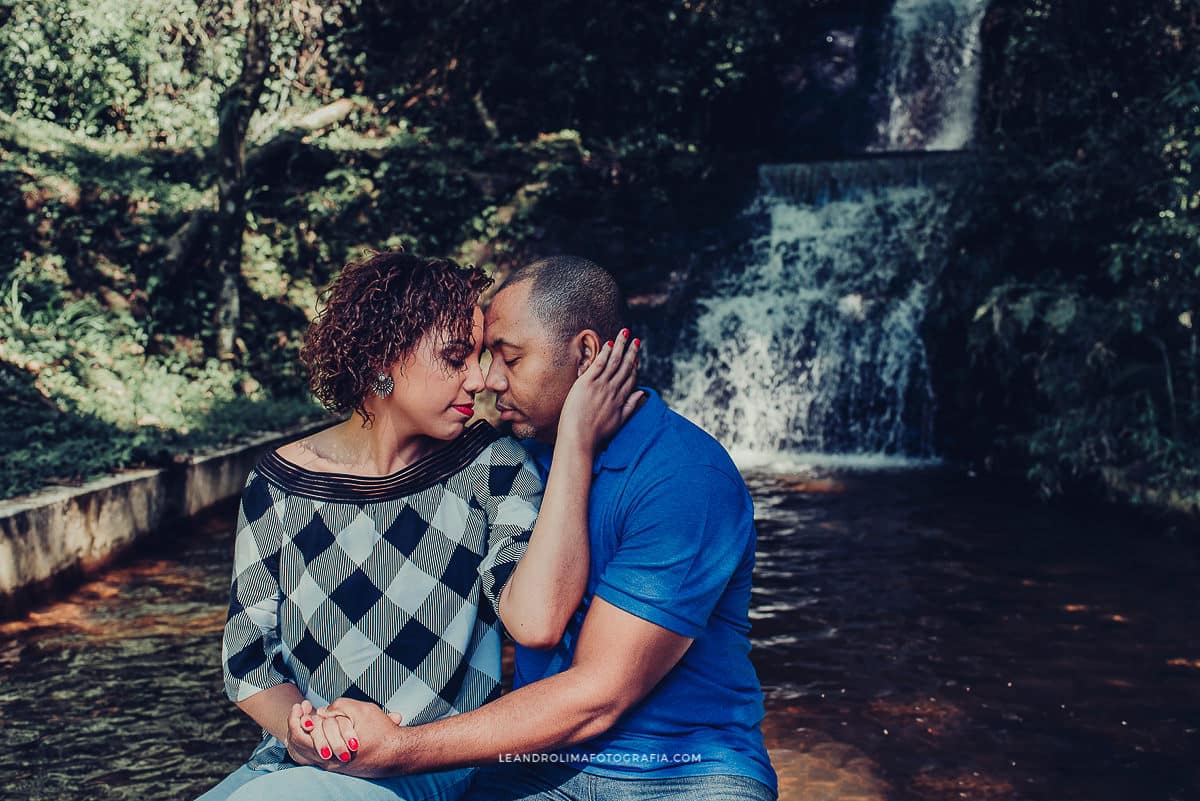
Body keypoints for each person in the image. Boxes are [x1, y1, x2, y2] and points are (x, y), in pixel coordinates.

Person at [293, 255, 778, 801]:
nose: (487, 382)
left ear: (588, 356)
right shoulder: (511, 463)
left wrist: (399, 750)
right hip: (537, 770)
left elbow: (599, 695)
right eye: (482, 359)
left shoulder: (687, 479)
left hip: (683, 773)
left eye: (511, 359)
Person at [196, 251, 642, 801]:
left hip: (427, 768)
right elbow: (247, 661)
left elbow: (537, 622)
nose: (481, 379)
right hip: (295, 768)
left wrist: (577, 438)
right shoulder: (276, 483)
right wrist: (306, 730)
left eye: (480, 356)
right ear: (385, 357)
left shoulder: (492, 469)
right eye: (457, 358)